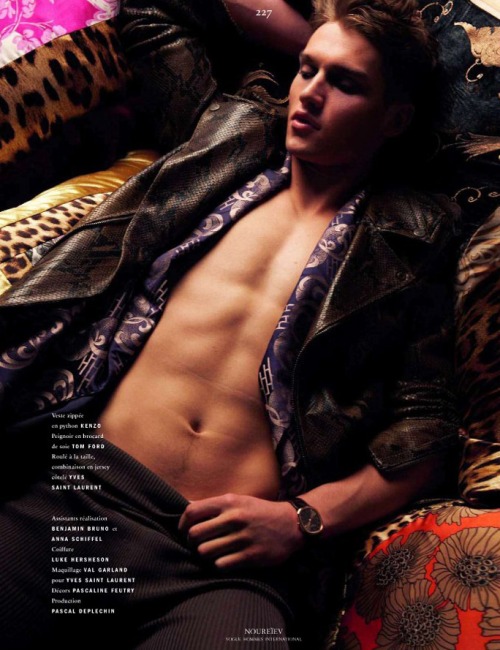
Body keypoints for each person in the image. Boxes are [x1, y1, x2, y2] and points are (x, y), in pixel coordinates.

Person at [0, 1, 460, 648]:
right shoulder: (225, 134)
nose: (310, 94)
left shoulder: (416, 237)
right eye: (307, 70)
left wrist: (303, 519)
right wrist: (314, 34)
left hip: (217, 570)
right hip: (74, 500)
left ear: (396, 119)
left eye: (346, 83)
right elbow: (155, 9)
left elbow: (426, 432)